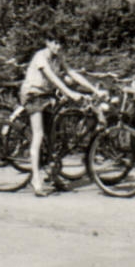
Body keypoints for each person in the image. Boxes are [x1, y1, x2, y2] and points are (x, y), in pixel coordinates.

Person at [19, 40, 97, 196]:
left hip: (46, 97)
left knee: (52, 138)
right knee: (39, 135)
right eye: (55, 43)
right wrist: (70, 93)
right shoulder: (41, 57)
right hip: (32, 95)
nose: (58, 46)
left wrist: (93, 89)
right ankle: (36, 179)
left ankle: (53, 176)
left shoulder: (58, 57)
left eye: (60, 43)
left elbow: (71, 73)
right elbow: (53, 78)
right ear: (47, 42)